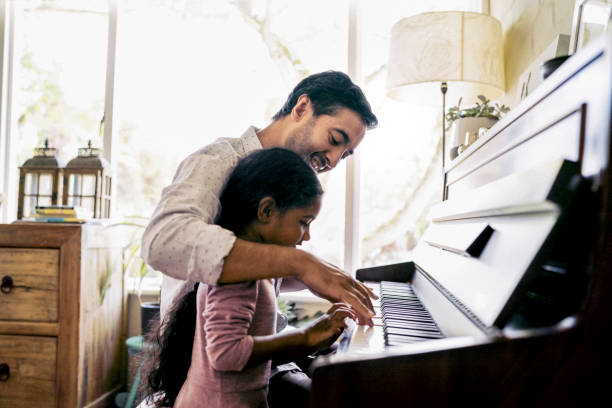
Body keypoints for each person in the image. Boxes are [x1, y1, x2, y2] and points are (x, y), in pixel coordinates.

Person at [141, 70, 379, 325]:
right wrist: (301, 263)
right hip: (202, 357)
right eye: (334, 139)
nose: (332, 161)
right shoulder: (218, 160)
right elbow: (163, 242)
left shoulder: (285, 184)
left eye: (344, 155)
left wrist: (319, 275)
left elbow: (252, 269)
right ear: (302, 108)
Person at [142, 148, 357, 408]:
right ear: (266, 211)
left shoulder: (250, 267)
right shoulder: (240, 278)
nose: (307, 236)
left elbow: (290, 277)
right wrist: (305, 338)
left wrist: (328, 280)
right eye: (304, 222)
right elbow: (226, 354)